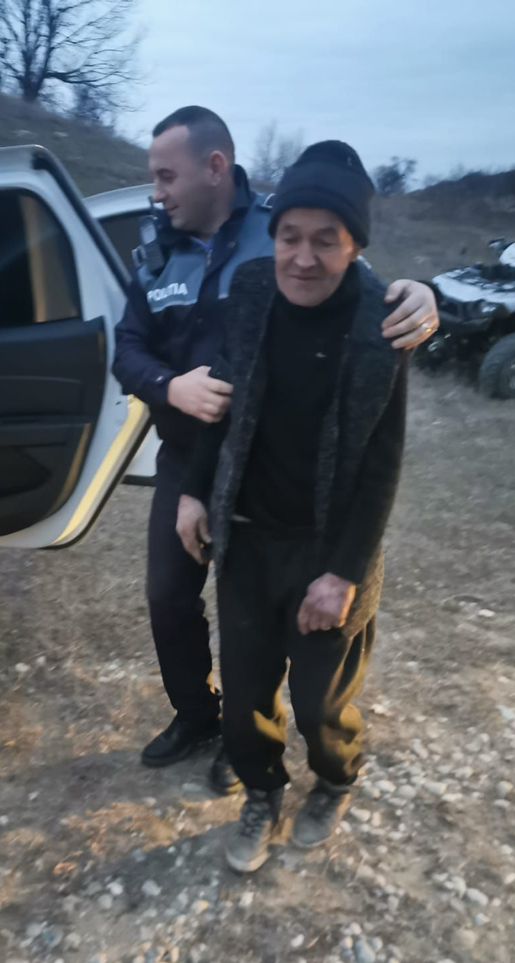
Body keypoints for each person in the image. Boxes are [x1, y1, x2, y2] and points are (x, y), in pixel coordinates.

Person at [112, 107, 437, 795]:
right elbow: (127, 349)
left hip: (273, 472)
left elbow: (354, 280)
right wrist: (170, 387)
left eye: (166, 175)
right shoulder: (156, 254)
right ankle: (202, 719)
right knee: (169, 598)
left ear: (215, 167)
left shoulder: (282, 226)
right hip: (193, 458)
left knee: (285, 646)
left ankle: (259, 741)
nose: (156, 191)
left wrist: (420, 296)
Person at [176, 140, 408, 873]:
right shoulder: (250, 291)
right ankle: (261, 790)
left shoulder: (382, 323)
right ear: (272, 237)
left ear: (355, 246)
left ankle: (337, 779)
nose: (303, 258)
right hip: (247, 539)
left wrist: (342, 574)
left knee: (319, 700)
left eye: (326, 240)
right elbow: (223, 399)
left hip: (326, 549)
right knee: (246, 689)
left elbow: (382, 462)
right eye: (289, 237)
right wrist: (193, 489)